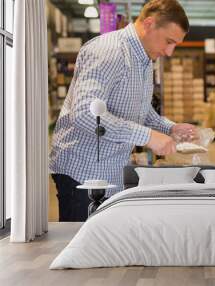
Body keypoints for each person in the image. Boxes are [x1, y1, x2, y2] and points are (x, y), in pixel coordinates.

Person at [49, 0, 195, 222]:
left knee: (106, 246)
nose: (169, 52)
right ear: (149, 23)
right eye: (168, 41)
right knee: (82, 248)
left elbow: (141, 109)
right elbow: (86, 115)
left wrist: (170, 127)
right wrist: (146, 136)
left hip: (113, 169)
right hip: (83, 172)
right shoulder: (108, 51)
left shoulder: (145, 59)